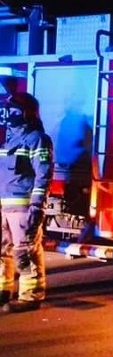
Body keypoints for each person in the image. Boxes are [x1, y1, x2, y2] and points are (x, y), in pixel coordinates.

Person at [0, 92, 54, 312]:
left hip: (23, 205)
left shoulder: (37, 139)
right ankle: (3, 291)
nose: (9, 115)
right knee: (2, 251)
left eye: (14, 110)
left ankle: (31, 296)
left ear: (27, 112)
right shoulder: (8, 140)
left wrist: (37, 205)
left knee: (25, 250)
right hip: (4, 205)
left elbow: (43, 173)